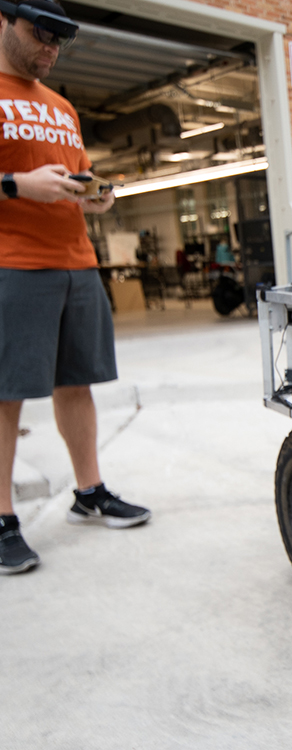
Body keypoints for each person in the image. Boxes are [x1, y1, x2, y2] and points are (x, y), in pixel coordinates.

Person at [0, 0, 150, 575]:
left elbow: (75, 175)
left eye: (60, 41)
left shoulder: (61, 106)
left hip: (76, 260)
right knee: (7, 393)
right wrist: (16, 184)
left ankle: (90, 493)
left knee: (76, 383)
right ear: (7, 21)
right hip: (14, 264)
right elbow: (24, 180)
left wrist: (96, 195)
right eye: (41, 35)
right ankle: (3, 519)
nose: (50, 49)